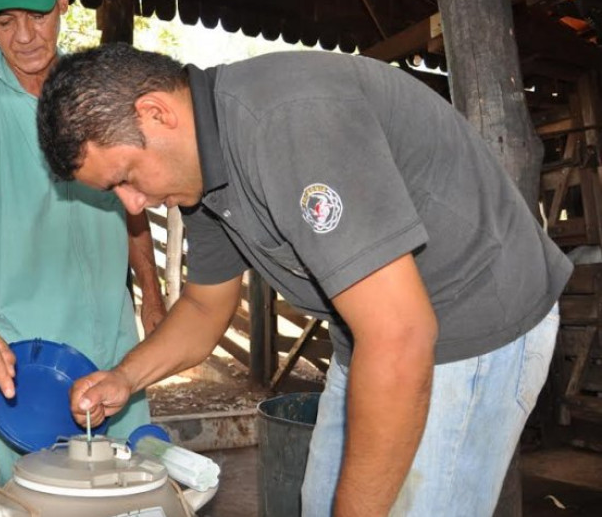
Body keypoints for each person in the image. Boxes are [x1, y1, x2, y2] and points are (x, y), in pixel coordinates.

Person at [35, 44, 573, 517]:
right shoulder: (202, 174)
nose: (133, 203)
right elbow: (203, 310)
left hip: (471, 322)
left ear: (155, 113)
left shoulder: (289, 122)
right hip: (373, 332)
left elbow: (402, 335)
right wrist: (125, 379)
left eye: (125, 178)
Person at [0, 0, 166, 485]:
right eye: (5, 21)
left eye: (37, 14)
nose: (25, 36)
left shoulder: (96, 93)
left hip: (116, 353)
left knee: (133, 493)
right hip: (29, 371)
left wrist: (152, 292)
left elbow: (133, 202)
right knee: (46, 499)